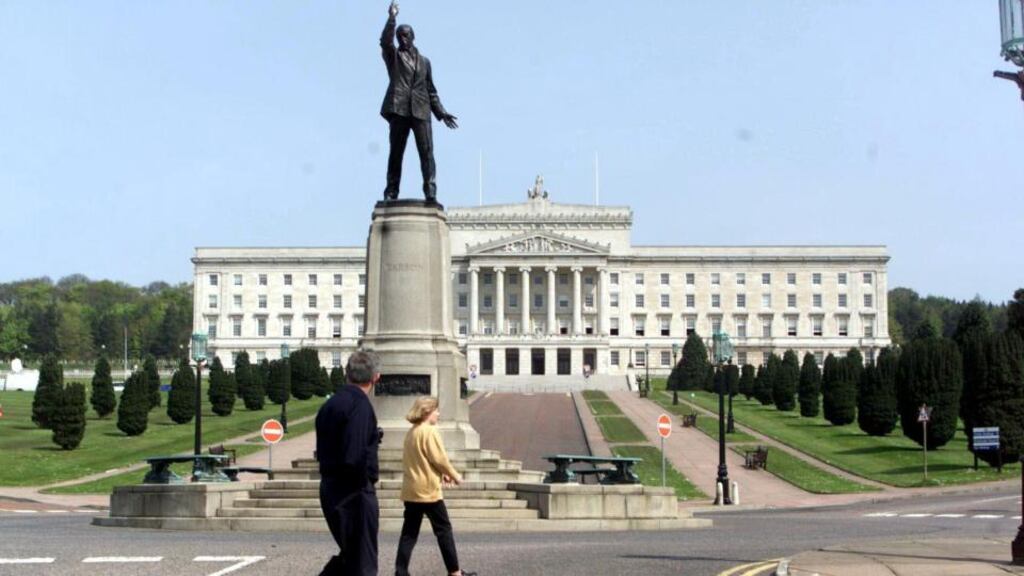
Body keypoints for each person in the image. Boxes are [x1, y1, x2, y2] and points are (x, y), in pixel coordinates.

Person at [380, 0, 458, 202]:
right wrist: (392, 18)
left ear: (413, 37)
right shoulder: (393, 56)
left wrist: (441, 112)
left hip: (421, 110)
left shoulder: (425, 62)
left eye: (406, 35)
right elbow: (385, 42)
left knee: (427, 153)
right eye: (400, 35)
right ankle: (391, 192)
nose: (403, 38)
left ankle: (431, 191)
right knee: (396, 153)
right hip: (399, 109)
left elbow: (431, 90)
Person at [315, 349, 383, 576]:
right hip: (354, 493)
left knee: (350, 558)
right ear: (376, 377)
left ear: (347, 373)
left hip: (330, 487)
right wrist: (368, 479)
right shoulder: (360, 406)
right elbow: (354, 456)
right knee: (362, 564)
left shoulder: (330, 405)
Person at [394, 397, 476, 576]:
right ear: (427, 412)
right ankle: (454, 572)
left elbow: (423, 461)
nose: (438, 414)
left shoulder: (412, 432)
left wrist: (441, 473)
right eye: (436, 411)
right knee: (444, 530)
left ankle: (400, 571)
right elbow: (439, 459)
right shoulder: (430, 432)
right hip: (428, 491)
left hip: (411, 490)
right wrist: (455, 475)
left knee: (409, 533)